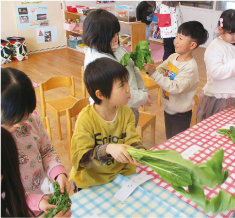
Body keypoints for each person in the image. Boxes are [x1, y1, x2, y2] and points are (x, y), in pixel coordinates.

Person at [0, 67, 71, 217]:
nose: (20, 124)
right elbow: (5, 192)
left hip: (44, 193)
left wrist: (58, 174)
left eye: (25, 116)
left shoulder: (32, 120)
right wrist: (35, 201)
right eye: (13, 121)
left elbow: (47, 151)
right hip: (17, 209)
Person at [69, 58, 146, 189]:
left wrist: (139, 151)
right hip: (92, 182)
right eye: (122, 85)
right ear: (100, 94)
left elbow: (132, 138)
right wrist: (108, 149)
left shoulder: (126, 112)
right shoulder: (86, 119)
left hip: (119, 175)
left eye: (127, 81)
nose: (128, 89)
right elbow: (80, 159)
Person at [82, 9, 152, 127]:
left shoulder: (115, 48)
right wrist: (142, 97)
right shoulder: (99, 61)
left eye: (116, 34)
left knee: (129, 136)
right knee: (120, 141)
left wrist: (142, 91)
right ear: (98, 36)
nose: (116, 38)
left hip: (129, 105)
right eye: (112, 35)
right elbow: (119, 92)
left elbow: (133, 69)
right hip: (114, 113)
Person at [143, 21, 208, 139]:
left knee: (177, 143)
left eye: (181, 38)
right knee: (169, 138)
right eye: (177, 36)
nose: (176, 40)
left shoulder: (190, 68)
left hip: (181, 114)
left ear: (192, 45)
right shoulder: (173, 57)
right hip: (168, 107)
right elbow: (162, 69)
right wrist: (152, 69)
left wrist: (155, 73)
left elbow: (173, 87)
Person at [196, 9, 235, 122]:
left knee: (229, 127)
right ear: (220, 29)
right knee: (215, 128)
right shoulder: (214, 47)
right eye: (232, 33)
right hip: (218, 97)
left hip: (233, 96)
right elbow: (215, 72)